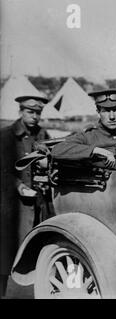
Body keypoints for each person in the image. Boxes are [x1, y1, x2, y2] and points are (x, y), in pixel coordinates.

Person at [0, 95, 51, 297]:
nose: (35, 116)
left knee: (36, 253)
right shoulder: (5, 136)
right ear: (20, 112)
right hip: (12, 206)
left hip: (38, 203)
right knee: (5, 254)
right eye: (31, 112)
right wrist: (19, 187)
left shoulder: (43, 134)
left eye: (38, 112)